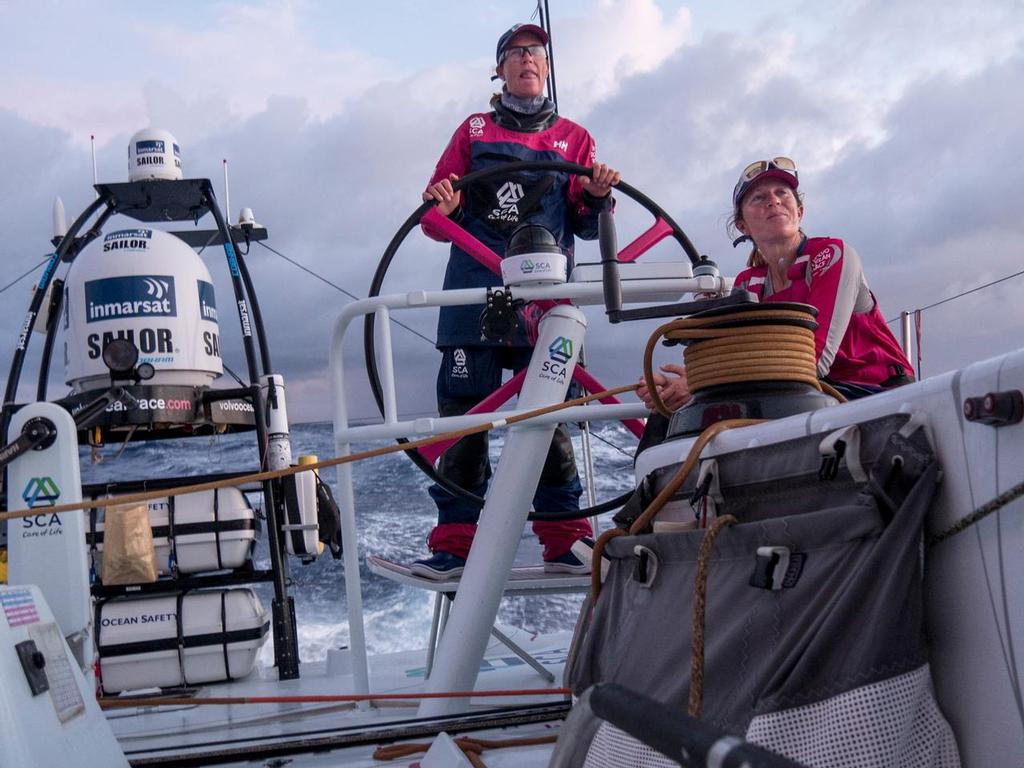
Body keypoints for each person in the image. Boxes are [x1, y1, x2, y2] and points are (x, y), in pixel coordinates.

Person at [410, 23, 620, 581]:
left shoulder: (576, 138)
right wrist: (447, 207)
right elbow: (434, 218)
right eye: (516, 53)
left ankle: (564, 541)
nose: (528, 60)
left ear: (547, 69)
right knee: (465, 419)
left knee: (548, 419)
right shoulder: (473, 130)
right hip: (472, 293)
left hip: (545, 304)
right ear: (499, 70)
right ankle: (455, 547)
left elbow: (582, 219)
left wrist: (597, 196)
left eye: (537, 53)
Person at [637, 156, 914, 411]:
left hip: (875, 393)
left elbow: (814, 361)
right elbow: (738, 356)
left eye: (782, 193)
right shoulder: (748, 284)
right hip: (807, 396)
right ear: (743, 225)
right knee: (682, 416)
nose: (773, 201)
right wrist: (692, 384)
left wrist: (703, 384)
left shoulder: (832, 256)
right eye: (759, 197)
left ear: (800, 211)